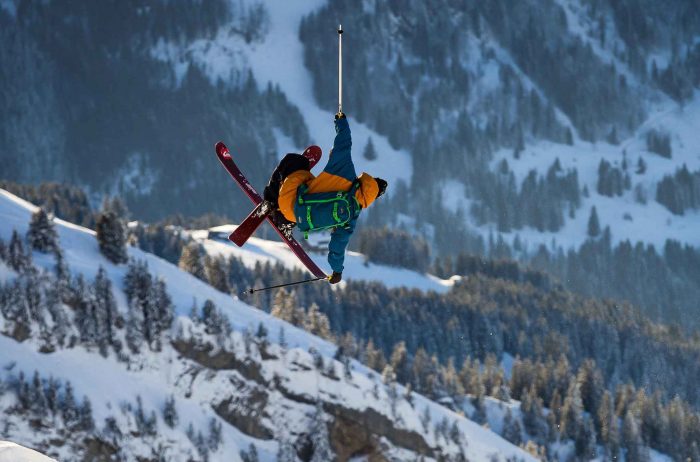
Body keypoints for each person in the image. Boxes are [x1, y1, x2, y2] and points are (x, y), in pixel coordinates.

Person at [263, 112, 387, 284]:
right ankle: (285, 220)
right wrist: (337, 271)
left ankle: (269, 200)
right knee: (308, 198)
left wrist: (341, 122)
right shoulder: (352, 214)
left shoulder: (346, 171)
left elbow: (344, 143)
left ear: (367, 180)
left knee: (293, 161)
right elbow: (338, 246)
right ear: (372, 197)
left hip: (288, 197)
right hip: (297, 217)